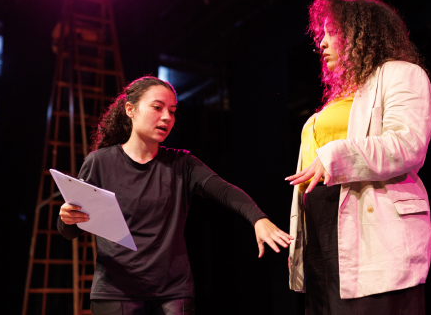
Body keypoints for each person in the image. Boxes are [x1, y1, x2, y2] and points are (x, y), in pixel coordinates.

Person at [58, 76, 293, 315]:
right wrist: (66, 217)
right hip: (117, 290)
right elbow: (70, 229)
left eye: (172, 111)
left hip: (172, 291)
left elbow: (224, 190)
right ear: (130, 109)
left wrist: (258, 218)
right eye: (157, 108)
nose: (167, 118)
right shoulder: (100, 162)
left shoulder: (182, 163)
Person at [286, 0, 431, 314]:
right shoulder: (337, 99)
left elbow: (407, 144)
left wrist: (333, 155)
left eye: (331, 33)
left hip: (373, 230)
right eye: (320, 35)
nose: (321, 43)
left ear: (359, 32)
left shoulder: (401, 74)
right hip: (323, 233)